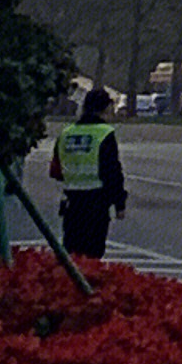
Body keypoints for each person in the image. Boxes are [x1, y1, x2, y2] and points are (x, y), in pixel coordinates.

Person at [51, 85, 129, 260]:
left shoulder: (67, 133)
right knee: (92, 255)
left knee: (72, 253)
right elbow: (112, 172)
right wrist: (119, 203)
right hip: (96, 203)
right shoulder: (104, 133)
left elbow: (56, 170)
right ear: (106, 108)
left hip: (71, 202)